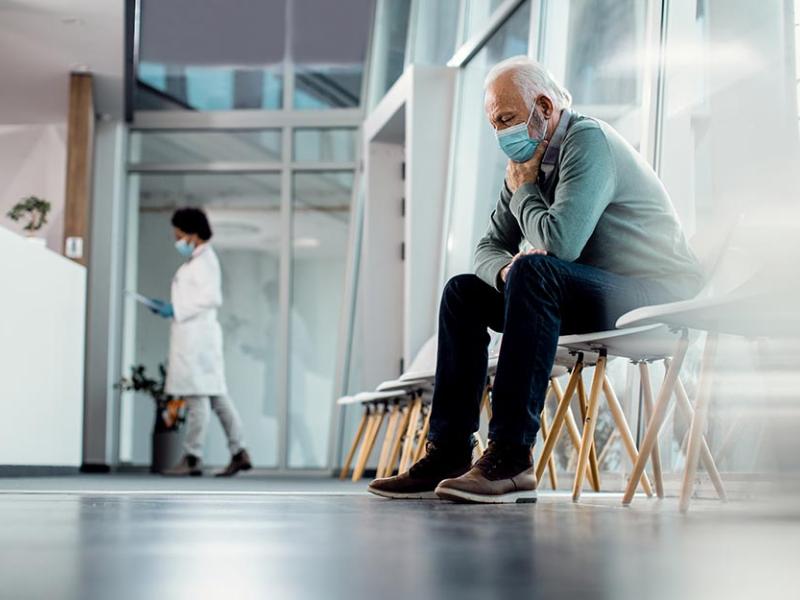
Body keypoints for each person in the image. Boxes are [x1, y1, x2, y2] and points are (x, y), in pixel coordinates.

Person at [368, 56, 703, 503]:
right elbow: (487, 248)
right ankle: (449, 452)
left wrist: (525, 192)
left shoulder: (587, 142)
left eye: (506, 119)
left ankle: (511, 457)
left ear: (544, 108)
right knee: (463, 292)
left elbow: (561, 244)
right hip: (595, 291)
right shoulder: (528, 162)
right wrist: (504, 269)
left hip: (658, 294)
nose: (500, 134)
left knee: (536, 270)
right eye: (494, 124)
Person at [152, 207, 253, 477]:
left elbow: (211, 298)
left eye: (179, 235)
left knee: (197, 398)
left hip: (197, 339)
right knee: (217, 397)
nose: (177, 241)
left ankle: (193, 456)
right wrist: (173, 308)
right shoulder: (198, 260)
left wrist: (176, 309)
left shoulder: (205, 261)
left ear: (193, 234)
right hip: (198, 337)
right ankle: (239, 450)